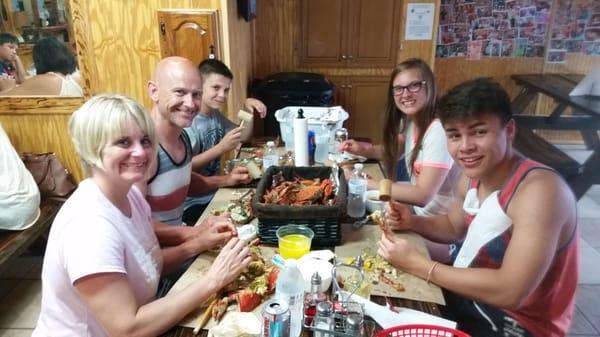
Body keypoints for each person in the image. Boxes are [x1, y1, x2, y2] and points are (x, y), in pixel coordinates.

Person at [32, 94, 251, 337]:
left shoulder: (130, 195)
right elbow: (128, 329)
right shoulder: (89, 226)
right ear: (93, 148)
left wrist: (197, 242)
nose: (140, 152)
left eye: (145, 141)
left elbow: (147, 264)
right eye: (124, 142)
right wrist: (213, 279)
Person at [378, 78, 579, 337]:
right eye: (454, 135)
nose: (465, 147)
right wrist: (412, 221)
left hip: (518, 323)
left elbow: (511, 291)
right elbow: (453, 225)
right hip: (471, 297)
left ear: (509, 131)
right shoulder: (473, 174)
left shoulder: (541, 192)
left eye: (478, 132)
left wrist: (420, 265)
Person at [340, 58, 460, 261]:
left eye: (413, 85)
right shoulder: (414, 122)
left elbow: (422, 195)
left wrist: (364, 182)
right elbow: (392, 149)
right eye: (398, 89)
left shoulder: (438, 130)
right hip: (416, 216)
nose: (405, 94)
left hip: (442, 235)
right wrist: (363, 149)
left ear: (428, 86)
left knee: (370, 244)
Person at [183, 58, 267, 223]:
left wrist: (247, 109)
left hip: (216, 191)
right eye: (216, 88)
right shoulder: (189, 123)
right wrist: (221, 148)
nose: (222, 95)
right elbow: (184, 168)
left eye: (226, 90)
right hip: (192, 205)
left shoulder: (215, 115)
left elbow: (243, 136)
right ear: (199, 86)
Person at [2, 36, 83, 96]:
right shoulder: (79, 76)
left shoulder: (44, 80)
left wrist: (8, 88)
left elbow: (6, 99)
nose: (14, 52)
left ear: (39, 60)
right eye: (11, 48)